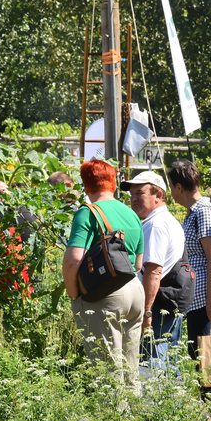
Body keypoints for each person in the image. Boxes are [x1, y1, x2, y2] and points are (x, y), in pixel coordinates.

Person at [62, 160, 144, 391]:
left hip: (105, 294)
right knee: (130, 370)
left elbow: (73, 260)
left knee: (108, 373)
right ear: (114, 183)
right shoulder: (131, 214)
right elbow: (138, 264)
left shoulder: (88, 213)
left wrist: (74, 296)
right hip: (135, 291)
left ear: (86, 186)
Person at [168, 160, 211, 412]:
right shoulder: (196, 211)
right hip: (199, 296)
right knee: (207, 358)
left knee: (208, 358)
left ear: (179, 187)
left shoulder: (203, 211)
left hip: (205, 297)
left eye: (171, 186)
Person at [126, 170, 187, 369]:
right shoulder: (165, 220)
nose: (133, 199)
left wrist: (146, 313)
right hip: (165, 305)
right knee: (166, 365)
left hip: (157, 308)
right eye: (132, 194)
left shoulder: (156, 225)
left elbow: (153, 271)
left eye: (140, 193)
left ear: (158, 195)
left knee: (153, 366)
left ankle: (155, 402)